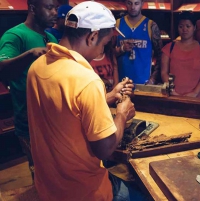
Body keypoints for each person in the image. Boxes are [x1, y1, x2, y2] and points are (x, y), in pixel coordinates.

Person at [26, 2, 140, 200]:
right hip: (84, 191)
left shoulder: (37, 68)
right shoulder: (86, 79)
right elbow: (105, 149)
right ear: (93, 36)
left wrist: (109, 96)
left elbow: (66, 111)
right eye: (103, 44)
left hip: (49, 187)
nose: (101, 51)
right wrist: (121, 114)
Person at [0, 0, 59, 180]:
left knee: (57, 172)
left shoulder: (52, 38)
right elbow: (2, 68)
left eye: (56, 8)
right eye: (49, 8)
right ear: (33, 8)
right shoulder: (15, 35)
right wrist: (30, 54)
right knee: (41, 174)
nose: (55, 12)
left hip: (54, 121)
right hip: (30, 124)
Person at [161, 11, 200, 98]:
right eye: (181, 26)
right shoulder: (169, 48)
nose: (184, 29)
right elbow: (164, 72)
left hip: (197, 97)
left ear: (194, 27)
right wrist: (172, 90)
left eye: (188, 26)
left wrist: (195, 93)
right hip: (173, 96)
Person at [115, 0, 163, 84]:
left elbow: (161, 56)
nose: (133, 7)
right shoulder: (117, 24)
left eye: (136, 3)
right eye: (130, 3)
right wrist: (122, 49)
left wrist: (152, 79)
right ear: (125, 3)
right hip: (121, 83)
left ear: (142, 4)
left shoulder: (151, 25)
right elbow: (107, 55)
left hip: (144, 83)